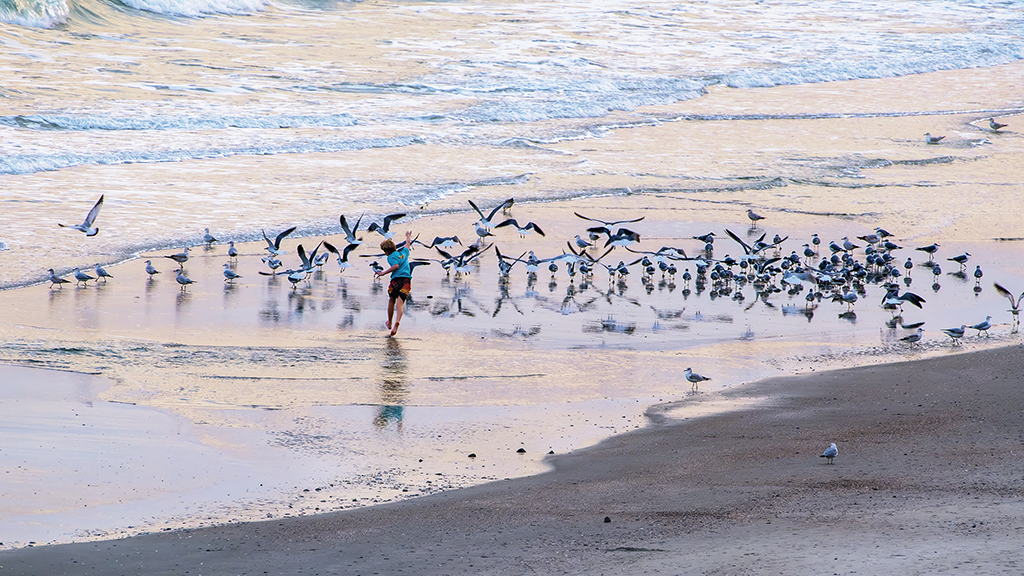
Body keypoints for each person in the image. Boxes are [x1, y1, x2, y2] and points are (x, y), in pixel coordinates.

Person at [375, 230, 413, 336]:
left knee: (392, 300)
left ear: (386, 252)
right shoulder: (404, 253)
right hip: (406, 281)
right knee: (400, 303)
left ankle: (390, 322)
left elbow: (395, 266)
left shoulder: (390, 257)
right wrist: (408, 236)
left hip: (396, 281)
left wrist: (383, 273)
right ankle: (398, 322)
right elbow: (408, 243)